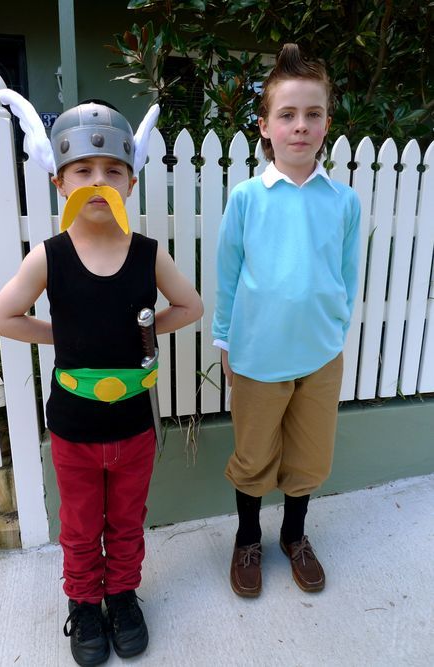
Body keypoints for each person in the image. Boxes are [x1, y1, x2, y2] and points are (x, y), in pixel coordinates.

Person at [0, 99, 203, 665]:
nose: (99, 181)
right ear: (59, 183)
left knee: (127, 521)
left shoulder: (149, 254)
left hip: (134, 427)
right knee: (80, 526)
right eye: (83, 170)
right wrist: (64, 335)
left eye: (113, 170)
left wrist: (142, 329)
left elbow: (191, 306)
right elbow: (1, 317)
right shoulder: (49, 257)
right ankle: (84, 603)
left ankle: (122, 596)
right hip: (74, 430)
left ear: (132, 182)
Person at [212, 43, 361, 598]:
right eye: (288, 114)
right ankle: (247, 537)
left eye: (313, 114)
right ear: (265, 127)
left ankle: (293, 535)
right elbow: (228, 273)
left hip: (320, 355)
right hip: (258, 355)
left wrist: (335, 330)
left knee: (309, 455)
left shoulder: (344, 202)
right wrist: (225, 340)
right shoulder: (247, 198)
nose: (301, 125)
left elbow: (347, 275)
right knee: (253, 455)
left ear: (326, 125)